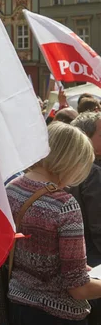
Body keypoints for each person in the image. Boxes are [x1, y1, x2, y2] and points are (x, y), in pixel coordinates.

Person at [7, 121, 101, 325]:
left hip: (18, 305)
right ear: (72, 161)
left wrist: (79, 267)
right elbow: (77, 289)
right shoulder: (64, 204)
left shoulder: (13, 187)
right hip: (59, 318)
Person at [70, 112, 101, 266]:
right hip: (93, 259)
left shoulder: (68, 165)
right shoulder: (92, 171)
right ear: (86, 138)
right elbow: (98, 224)